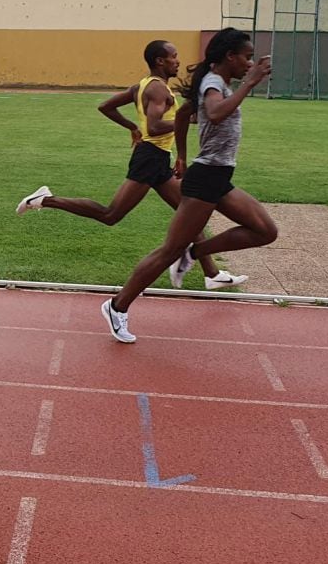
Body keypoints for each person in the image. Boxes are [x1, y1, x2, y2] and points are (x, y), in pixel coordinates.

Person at [15, 40, 247, 291]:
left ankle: (211, 274)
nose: (178, 61)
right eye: (174, 56)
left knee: (189, 215)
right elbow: (155, 127)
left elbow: (106, 106)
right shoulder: (158, 90)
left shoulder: (142, 85)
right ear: (160, 61)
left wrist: (133, 127)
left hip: (157, 158)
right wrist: (186, 121)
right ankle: (46, 199)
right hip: (149, 159)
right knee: (111, 215)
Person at [101, 28, 277, 343]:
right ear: (230, 56)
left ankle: (194, 253)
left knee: (265, 231)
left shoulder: (217, 82)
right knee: (168, 249)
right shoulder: (213, 84)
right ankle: (116, 306)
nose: (249, 64)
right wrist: (250, 84)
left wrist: (181, 155)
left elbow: (183, 115)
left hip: (219, 176)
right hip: (206, 178)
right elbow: (216, 113)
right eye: (247, 58)